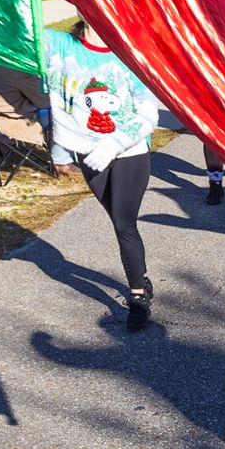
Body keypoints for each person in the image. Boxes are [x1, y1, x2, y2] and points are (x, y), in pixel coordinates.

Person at [42, 20, 163, 332]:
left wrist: (113, 144)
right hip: (87, 153)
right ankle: (141, 275)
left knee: (124, 223)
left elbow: (150, 113)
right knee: (117, 221)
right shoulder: (59, 45)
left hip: (127, 151)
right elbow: (16, 27)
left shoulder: (130, 53)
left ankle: (138, 297)